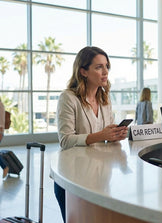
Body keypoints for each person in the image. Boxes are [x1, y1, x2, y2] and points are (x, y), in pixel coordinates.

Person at [55, 46, 128, 222]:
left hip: (99, 177)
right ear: (83, 71)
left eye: (107, 67)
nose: (105, 72)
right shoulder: (68, 98)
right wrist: (101, 135)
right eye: (98, 67)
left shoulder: (104, 100)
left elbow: (106, 139)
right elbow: (65, 140)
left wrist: (115, 135)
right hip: (73, 178)